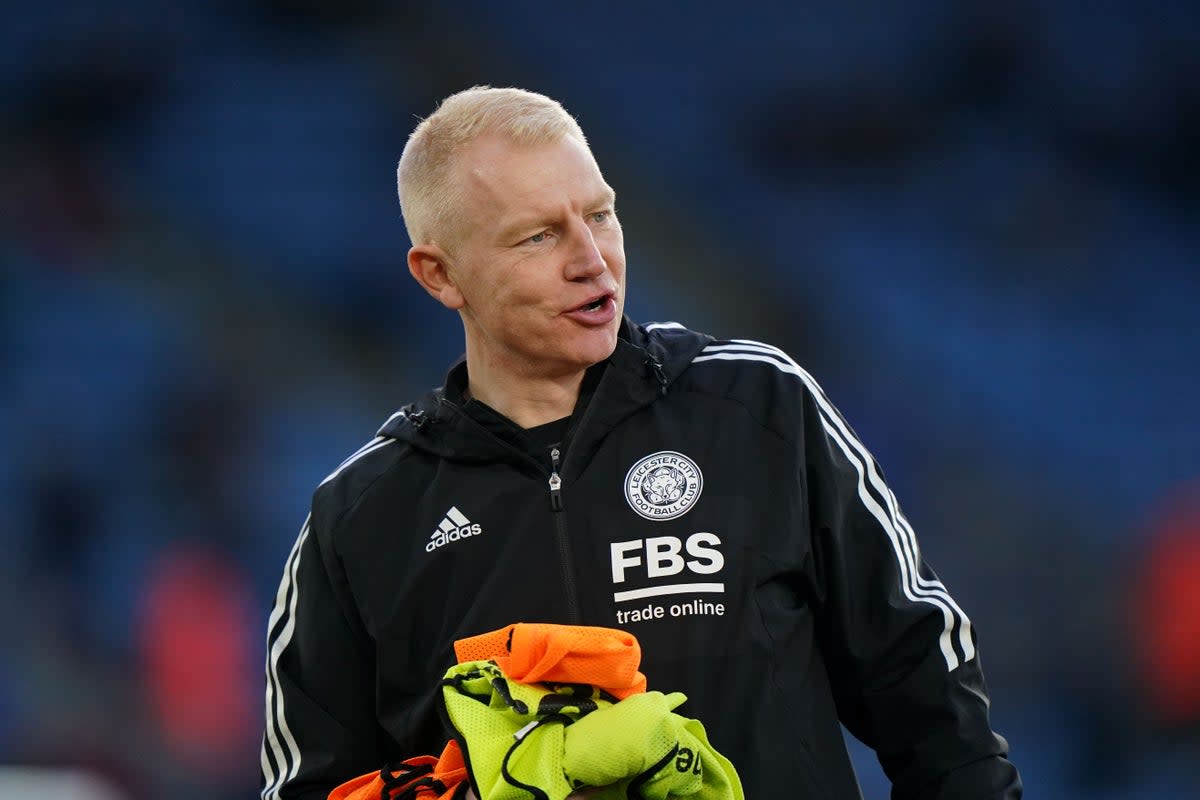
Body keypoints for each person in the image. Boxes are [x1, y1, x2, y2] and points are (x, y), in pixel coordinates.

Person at [259, 86, 1022, 800]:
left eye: (599, 215)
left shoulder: (759, 408)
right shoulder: (362, 519)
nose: (591, 260)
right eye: (538, 236)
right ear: (439, 275)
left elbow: (926, 687)